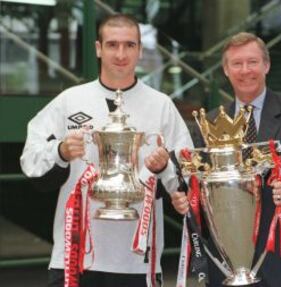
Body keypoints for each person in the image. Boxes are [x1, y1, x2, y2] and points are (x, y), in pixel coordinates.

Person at [20, 14, 193, 287]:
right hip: (74, 257)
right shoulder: (69, 101)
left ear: (139, 49)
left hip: (138, 260)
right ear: (98, 48)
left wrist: (164, 168)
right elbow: (30, 160)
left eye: (129, 45)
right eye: (112, 45)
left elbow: (187, 174)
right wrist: (61, 152)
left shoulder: (161, 107)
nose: (121, 54)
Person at [170, 32, 281, 287]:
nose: (245, 70)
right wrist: (183, 196)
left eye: (253, 62)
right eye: (237, 64)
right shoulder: (210, 123)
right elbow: (196, 181)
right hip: (225, 261)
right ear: (226, 70)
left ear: (266, 65)